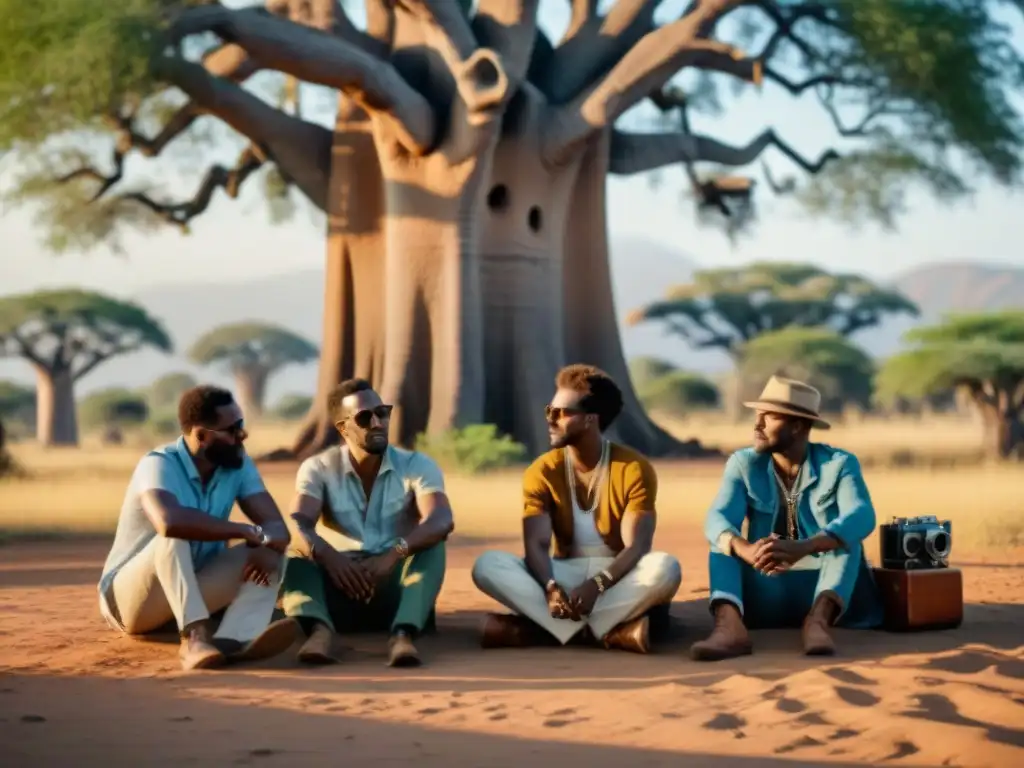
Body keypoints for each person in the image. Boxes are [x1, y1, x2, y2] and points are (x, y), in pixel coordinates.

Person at [471, 364, 682, 654]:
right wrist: (550, 587)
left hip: (618, 575)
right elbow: (536, 542)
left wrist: (598, 585)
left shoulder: (634, 468)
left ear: (590, 420)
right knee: (487, 565)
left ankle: (543, 630)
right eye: (550, 410)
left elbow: (637, 546)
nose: (551, 419)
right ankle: (607, 632)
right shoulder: (542, 470)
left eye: (562, 413)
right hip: (563, 574)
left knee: (666, 568)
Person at [97, 385, 299, 671]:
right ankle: (195, 637)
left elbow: (277, 528)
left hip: (189, 588)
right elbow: (169, 522)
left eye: (241, 424)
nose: (242, 435)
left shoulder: (238, 465)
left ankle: (235, 639)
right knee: (173, 537)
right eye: (232, 428)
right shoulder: (159, 464)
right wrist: (242, 531)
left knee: (274, 554)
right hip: (131, 603)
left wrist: (268, 544)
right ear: (202, 436)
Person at [690, 375, 885, 661]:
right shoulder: (743, 464)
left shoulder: (839, 464)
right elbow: (717, 516)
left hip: (827, 590)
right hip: (765, 590)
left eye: (768, 418)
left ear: (797, 426)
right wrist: (745, 548)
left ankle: (817, 623)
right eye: (757, 417)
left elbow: (862, 514)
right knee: (722, 543)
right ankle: (729, 627)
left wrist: (807, 546)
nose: (757, 425)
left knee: (845, 541)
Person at [281, 379, 454, 668]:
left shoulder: (416, 464)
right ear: (342, 428)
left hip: (394, 587)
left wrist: (394, 554)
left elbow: (441, 519)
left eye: (382, 413)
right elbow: (298, 523)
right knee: (296, 551)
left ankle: (402, 636)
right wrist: (330, 557)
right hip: (339, 584)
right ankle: (319, 632)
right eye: (364, 417)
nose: (377, 422)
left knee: (433, 547)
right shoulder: (318, 468)